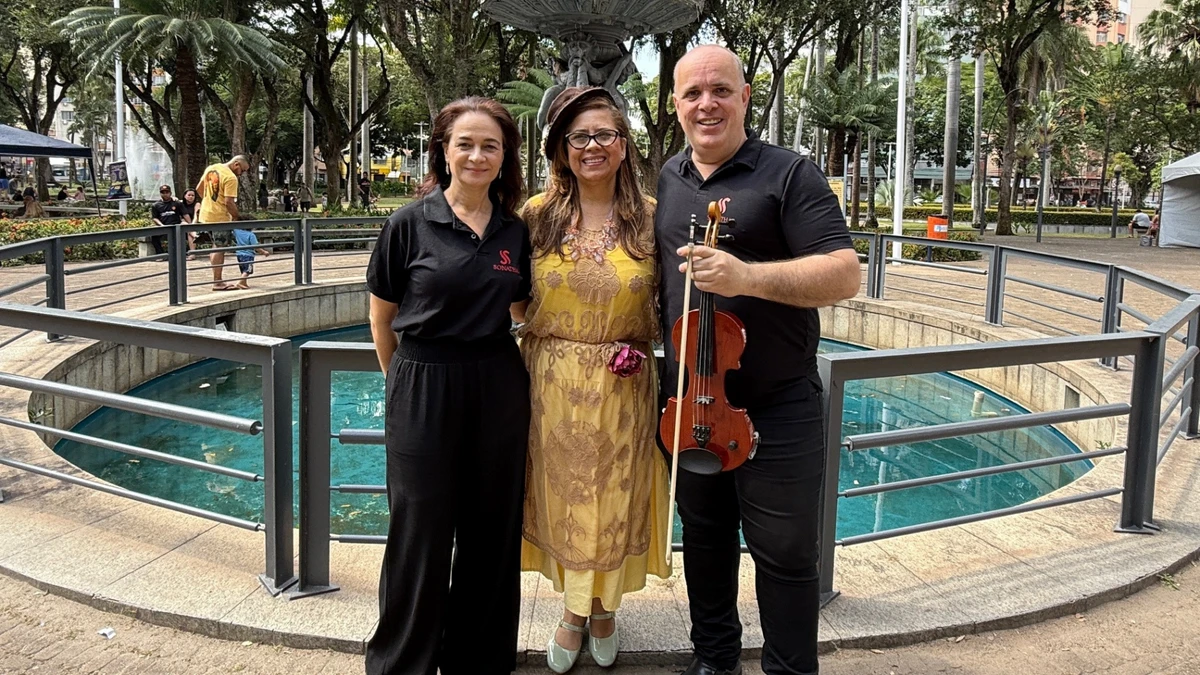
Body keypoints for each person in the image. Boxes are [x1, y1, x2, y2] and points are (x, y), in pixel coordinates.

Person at [655, 45, 860, 675]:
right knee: (706, 543)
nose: (706, 103)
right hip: (692, 402)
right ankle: (714, 660)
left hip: (779, 404)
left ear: (745, 97)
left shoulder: (790, 174)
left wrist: (748, 277)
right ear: (676, 105)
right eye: (692, 93)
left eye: (721, 90)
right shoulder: (668, 177)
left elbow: (843, 273)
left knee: (785, 555)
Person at [364, 96, 531, 675]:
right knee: (421, 530)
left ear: (506, 155)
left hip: (498, 385)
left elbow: (519, 308)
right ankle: (404, 663)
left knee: (492, 530)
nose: (477, 155)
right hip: (423, 383)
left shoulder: (515, 231)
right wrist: (406, 387)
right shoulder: (408, 224)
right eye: (465, 143)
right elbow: (381, 322)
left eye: (491, 145)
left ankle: (480, 662)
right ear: (443, 149)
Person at [518, 87, 670, 674]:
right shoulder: (536, 216)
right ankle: (574, 611)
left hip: (625, 383)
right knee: (564, 499)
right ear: (561, 148)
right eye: (578, 137)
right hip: (550, 382)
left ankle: (604, 607)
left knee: (615, 498)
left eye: (604, 134)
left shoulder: (654, 217)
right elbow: (504, 294)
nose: (592, 146)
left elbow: (680, 296)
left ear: (625, 144)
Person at [195, 155, 250, 291]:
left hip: (205, 215)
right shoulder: (231, 178)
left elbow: (199, 189)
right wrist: (237, 217)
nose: (241, 173)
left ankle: (217, 279)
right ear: (236, 164)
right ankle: (217, 282)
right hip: (220, 217)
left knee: (215, 247)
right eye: (242, 170)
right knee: (219, 248)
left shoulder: (212, 168)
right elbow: (229, 202)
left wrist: (209, 201)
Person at [149, 184, 182, 258]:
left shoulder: (176, 203)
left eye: (167, 192)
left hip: (175, 226)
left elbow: (184, 214)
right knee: (154, 236)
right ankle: (161, 255)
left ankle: (180, 254)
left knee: (180, 236)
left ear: (170, 193)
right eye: (163, 192)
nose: (165, 194)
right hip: (163, 226)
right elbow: (155, 217)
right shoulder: (156, 205)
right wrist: (161, 225)